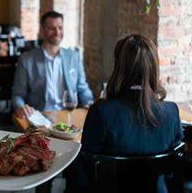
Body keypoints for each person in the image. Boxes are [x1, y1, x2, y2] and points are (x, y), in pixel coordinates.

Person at [71, 34, 183, 193]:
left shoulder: (101, 112)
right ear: (153, 67)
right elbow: (173, 169)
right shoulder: (172, 112)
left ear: (118, 67)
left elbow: (85, 171)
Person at [12, 11, 94, 119]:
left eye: (60, 27)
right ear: (43, 30)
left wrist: (89, 102)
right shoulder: (27, 59)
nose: (57, 32)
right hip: (39, 116)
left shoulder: (74, 57)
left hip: (68, 115)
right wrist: (21, 107)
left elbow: (83, 88)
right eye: (52, 28)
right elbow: (18, 94)